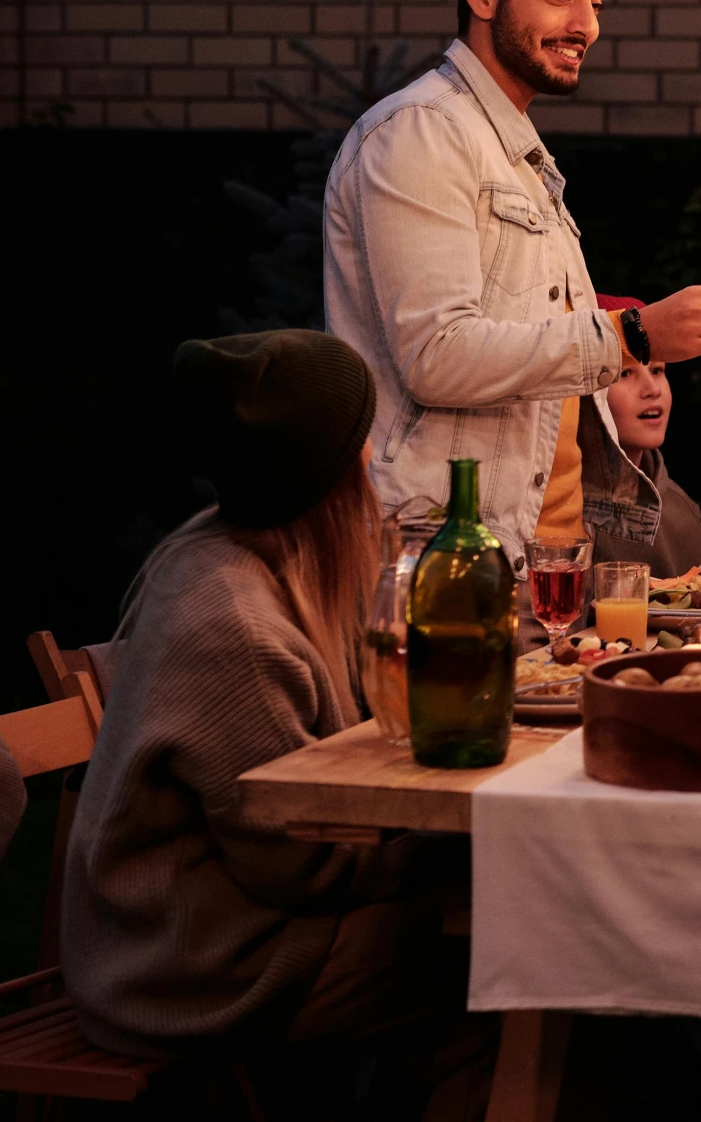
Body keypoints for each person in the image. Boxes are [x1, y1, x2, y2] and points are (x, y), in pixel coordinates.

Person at [62, 332, 490, 1117]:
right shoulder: (231, 621)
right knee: (506, 969)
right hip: (198, 963)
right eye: (358, 447)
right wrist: (451, 843)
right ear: (323, 476)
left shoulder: (247, 548)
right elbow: (301, 866)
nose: (372, 466)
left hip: (230, 925)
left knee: (502, 938)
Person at [322, 0, 701, 609]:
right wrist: (636, 332)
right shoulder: (421, 134)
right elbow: (436, 355)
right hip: (448, 562)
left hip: (542, 570)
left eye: (595, 2)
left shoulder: (519, 156)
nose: (585, 25)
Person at [586, 296, 701, 576]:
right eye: (626, 373)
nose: (652, 389)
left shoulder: (682, 511)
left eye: (657, 370)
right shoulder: (560, 510)